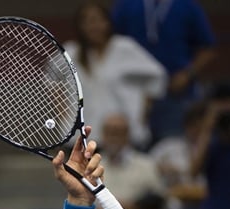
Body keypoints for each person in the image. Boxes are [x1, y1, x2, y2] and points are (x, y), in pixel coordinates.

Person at [64, 1, 167, 148]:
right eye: (87, 21)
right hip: (82, 138)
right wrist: (63, 114)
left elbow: (157, 76)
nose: (94, 26)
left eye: (98, 20)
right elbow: (51, 81)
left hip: (125, 135)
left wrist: (143, 113)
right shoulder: (71, 52)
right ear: (80, 26)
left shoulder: (125, 48)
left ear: (108, 23)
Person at [111, 0, 215, 142]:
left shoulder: (187, 6)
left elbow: (207, 48)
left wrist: (188, 74)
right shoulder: (127, 5)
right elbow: (110, 42)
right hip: (136, 92)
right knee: (137, 145)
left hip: (176, 91)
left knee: (173, 145)